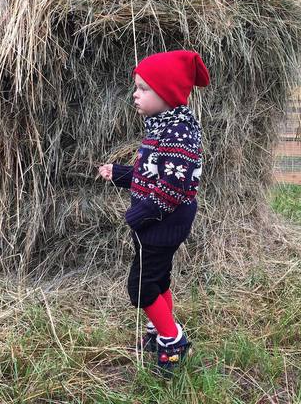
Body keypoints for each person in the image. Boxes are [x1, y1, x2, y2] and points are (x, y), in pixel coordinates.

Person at [98, 50, 210, 375]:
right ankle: (158, 330)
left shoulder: (179, 134)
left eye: (144, 88)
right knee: (158, 279)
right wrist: (119, 173)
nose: (135, 93)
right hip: (155, 224)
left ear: (167, 93)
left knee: (141, 286)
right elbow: (149, 173)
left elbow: (171, 189)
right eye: (137, 86)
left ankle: (173, 342)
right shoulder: (161, 126)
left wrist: (139, 216)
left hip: (163, 224)